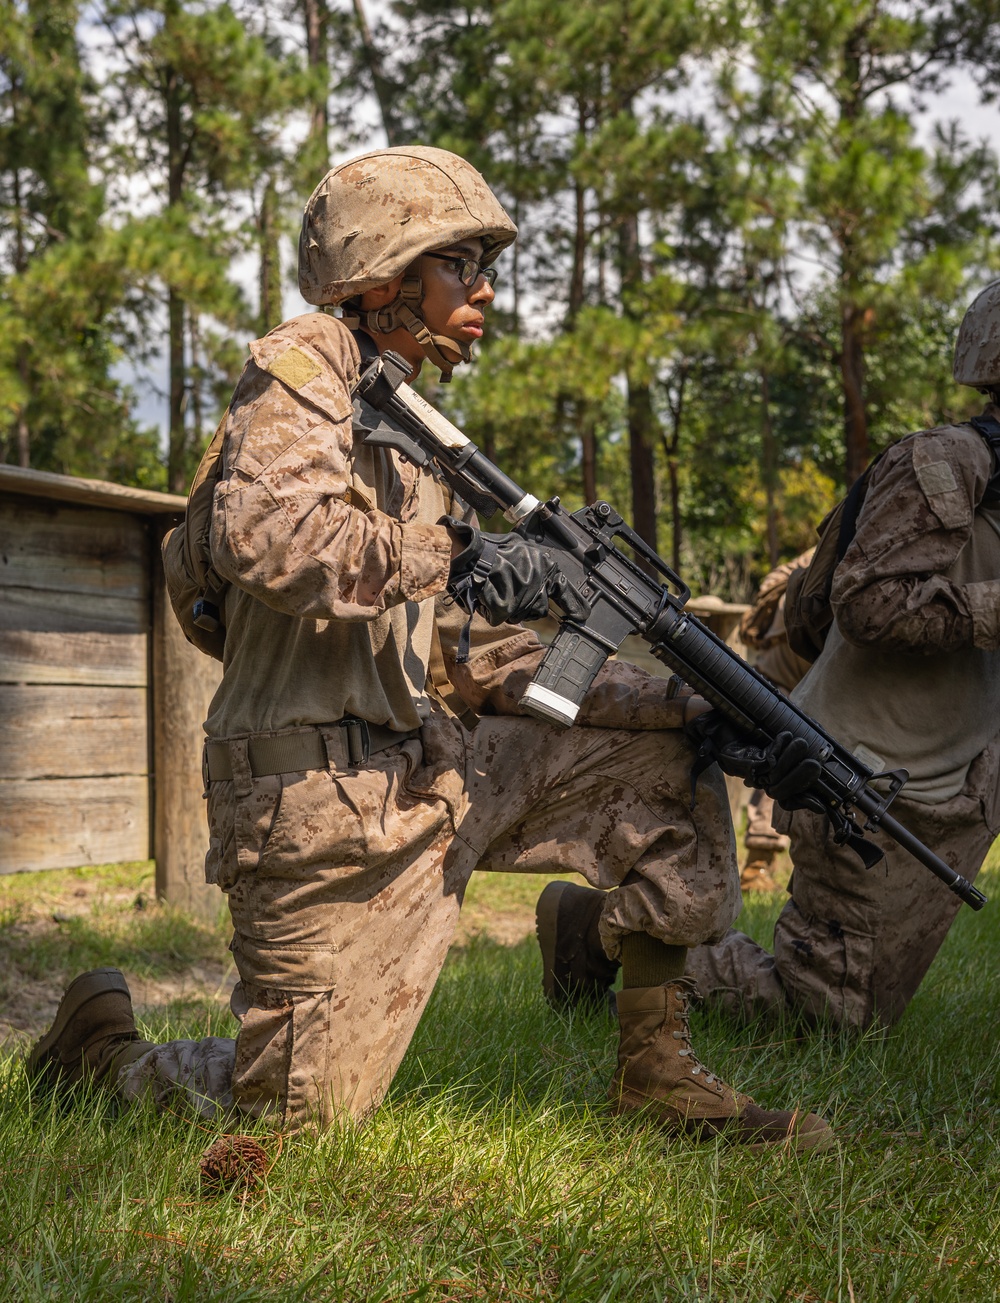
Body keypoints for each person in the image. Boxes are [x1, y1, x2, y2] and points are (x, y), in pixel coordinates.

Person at [27, 146, 830, 1150]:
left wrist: (698, 709)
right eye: (460, 262)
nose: (484, 289)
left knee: (668, 758)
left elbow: (467, 660)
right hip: (310, 802)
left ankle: (658, 1076)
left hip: (423, 766)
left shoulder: (410, 430)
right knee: (299, 1116)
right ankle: (105, 1058)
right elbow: (263, 537)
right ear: (385, 272)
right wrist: (455, 558)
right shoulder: (305, 360)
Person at [536, 280, 1000, 1033]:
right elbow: (872, 602)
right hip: (867, 777)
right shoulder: (947, 460)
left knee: (863, 1011)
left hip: (954, 789)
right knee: (823, 1012)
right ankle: (599, 931)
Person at [736, 552, 814, 892]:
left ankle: (761, 864)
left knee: (780, 761)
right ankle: (757, 866)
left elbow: (770, 582)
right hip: (794, 672)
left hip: (781, 669)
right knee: (784, 760)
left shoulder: (816, 553)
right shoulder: (841, 545)